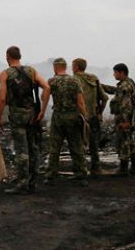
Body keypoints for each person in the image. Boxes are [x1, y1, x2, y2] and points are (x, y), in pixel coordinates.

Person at [0, 46, 50, 194]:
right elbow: (46, 87)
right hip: (33, 114)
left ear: (7, 57)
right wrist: (43, 110)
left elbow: (1, 99)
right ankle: (32, 182)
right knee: (33, 149)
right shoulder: (31, 71)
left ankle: (22, 184)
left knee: (21, 150)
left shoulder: (5, 74)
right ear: (19, 56)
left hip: (17, 115)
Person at [39, 57, 88, 185]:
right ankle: (80, 175)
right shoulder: (74, 81)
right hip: (73, 116)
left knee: (55, 147)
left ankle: (50, 176)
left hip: (58, 117)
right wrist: (84, 118)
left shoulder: (52, 81)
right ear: (65, 67)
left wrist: (42, 111)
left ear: (55, 67)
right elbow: (81, 102)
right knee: (76, 146)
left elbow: (44, 97)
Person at [72, 58, 109, 175]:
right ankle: (96, 168)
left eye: (73, 66)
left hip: (79, 116)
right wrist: (99, 113)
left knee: (78, 144)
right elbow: (104, 98)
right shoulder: (94, 78)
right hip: (93, 116)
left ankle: (81, 170)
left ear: (76, 67)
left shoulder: (73, 80)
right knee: (93, 144)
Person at [102, 63, 135, 176]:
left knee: (123, 142)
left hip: (124, 118)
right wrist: (102, 86)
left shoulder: (125, 87)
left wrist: (125, 122)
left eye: (115, 72)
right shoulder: (127, 83)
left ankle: (123, 169)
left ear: (121, 72)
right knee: (130, 142)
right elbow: (116, 90)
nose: (114, 75)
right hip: (129, 118)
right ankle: (134, 167)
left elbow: (126, 105)